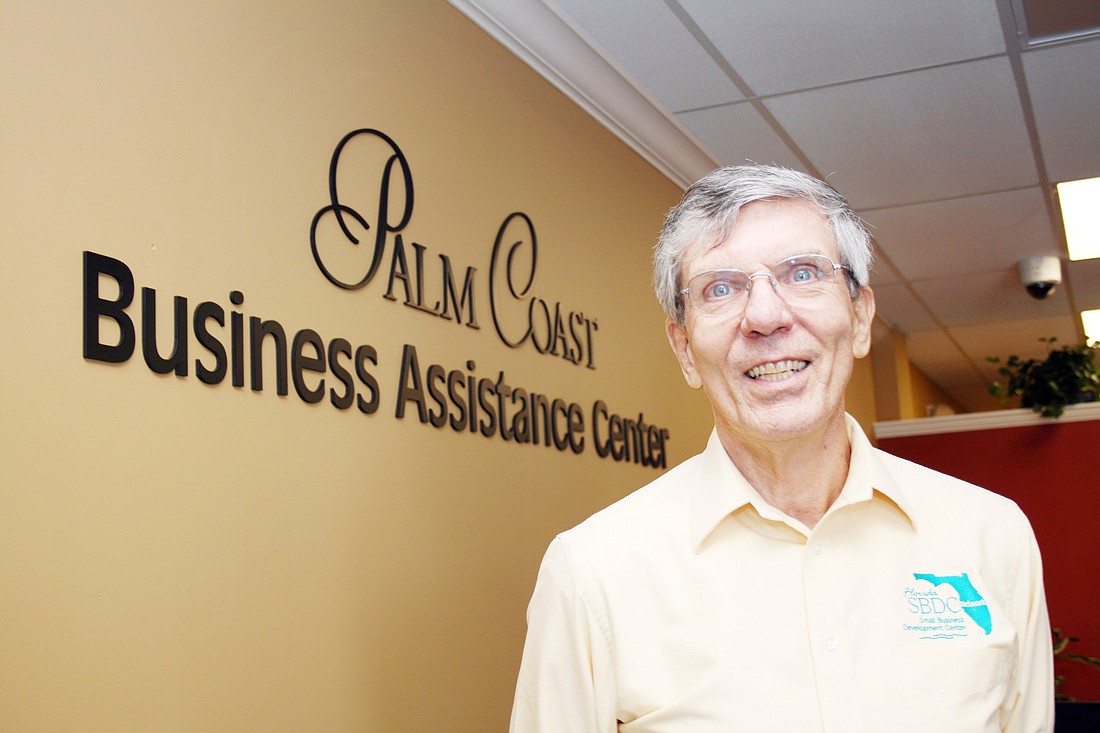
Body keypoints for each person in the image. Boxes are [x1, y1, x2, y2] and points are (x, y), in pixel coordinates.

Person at [509, 165, 1053, 732]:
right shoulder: (595, 570)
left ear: (861, 317)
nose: (766, 317)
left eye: (803, 273)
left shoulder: (992, 536)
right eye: (720, 288)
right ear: (686, 350)